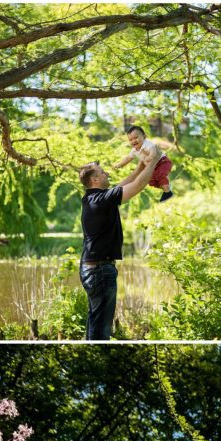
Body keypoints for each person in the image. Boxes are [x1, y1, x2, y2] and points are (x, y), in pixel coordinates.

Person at [77, 143, 161, 340]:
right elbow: (137, 186)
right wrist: (154, 160)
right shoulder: (100, 200)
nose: (107, 173)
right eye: (103, 172)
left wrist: (141, 166)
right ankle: (98, 362)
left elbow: (122, 186)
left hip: (92, 268)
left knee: (95, 321)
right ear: (95, 179)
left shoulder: (92, 198)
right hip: (99, 271)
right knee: (101, 329)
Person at [113, 125, 174, 203]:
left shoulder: (146, 144)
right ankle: (166, 187)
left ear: (144, 137)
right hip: (153, 167)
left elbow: (153, 150)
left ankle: (168, 193)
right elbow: (128, 158)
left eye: (136, 137)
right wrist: (120, 165)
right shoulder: (134, 150)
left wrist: (151, 156)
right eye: (131, 139)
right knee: (151, 181)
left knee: (160, 175)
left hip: (162, 162)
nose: (133, 141)